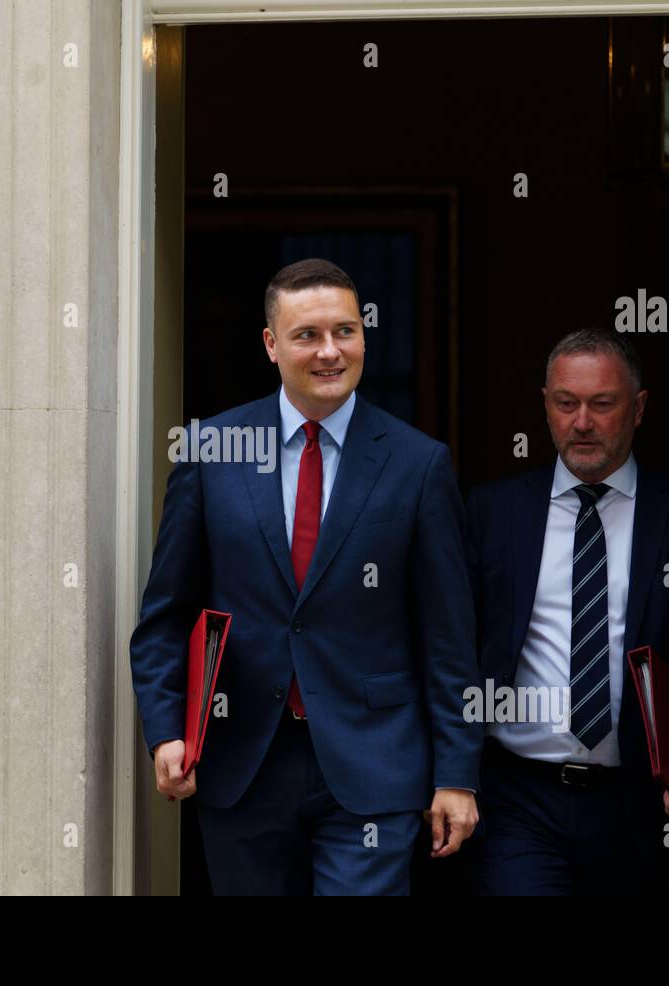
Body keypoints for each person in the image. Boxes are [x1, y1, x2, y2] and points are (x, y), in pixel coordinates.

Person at [129, 258, 481, 895]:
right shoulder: (212, 450)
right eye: (307, 335)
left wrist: (456, 773)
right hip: (242, 765)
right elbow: (165, 616)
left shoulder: (418, 463)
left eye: (345, 331)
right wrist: (166, 732)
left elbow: (449, 635)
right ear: (271, 344)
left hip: (374, 765)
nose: (329, 352)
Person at [464, 327, 669, 894]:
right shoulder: (493, 512)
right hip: (519, 796)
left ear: (638, 408)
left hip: (638, 801)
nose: (582, 422)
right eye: (566, 404)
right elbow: (449, 646)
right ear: (546, 405)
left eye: (602, 404)